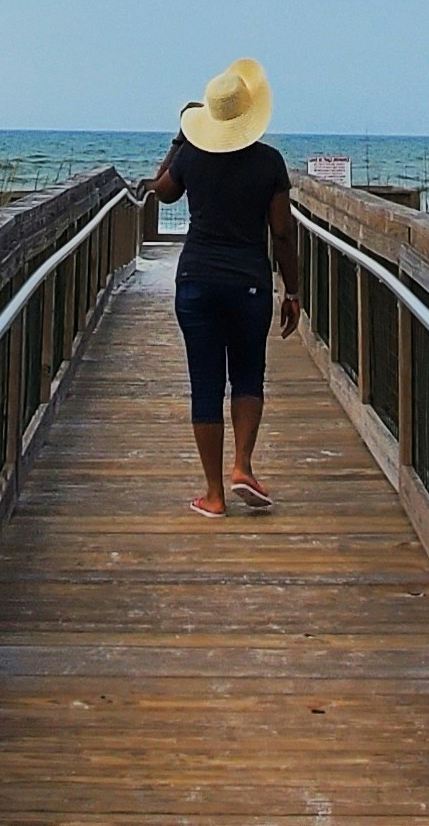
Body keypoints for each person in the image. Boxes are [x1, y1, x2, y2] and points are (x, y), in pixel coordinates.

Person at [148, 56, 303, 518]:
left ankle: (213, 495)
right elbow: (282, 234)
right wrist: (291, 292)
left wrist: (179, 139)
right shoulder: (270, 163)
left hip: (196, 281)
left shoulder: (192, 156)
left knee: (205, 382)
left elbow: (161, 190)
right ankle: (242, 467)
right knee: (248, 375)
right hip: (249, 284)